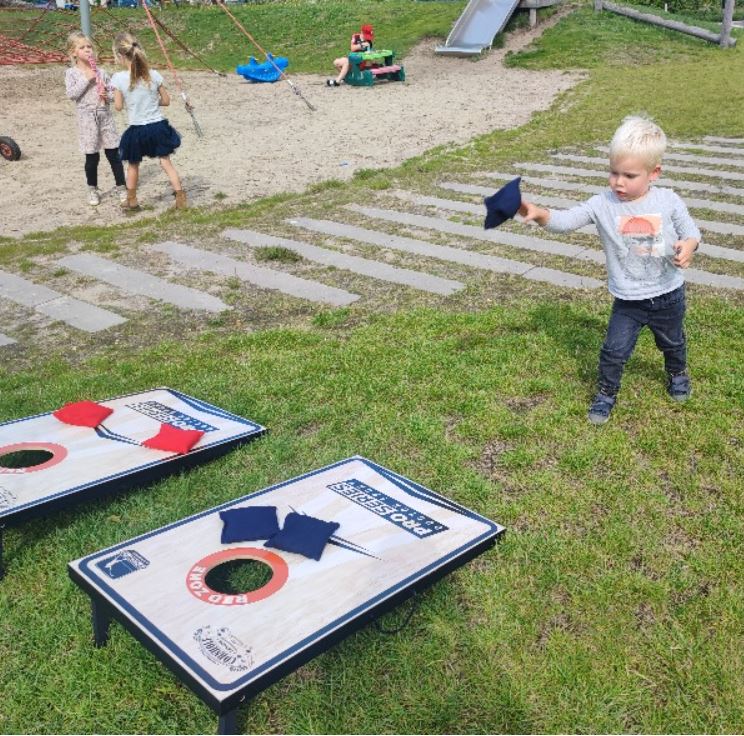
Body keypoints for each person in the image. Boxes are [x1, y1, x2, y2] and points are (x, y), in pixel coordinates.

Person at [519, 115, 700, 425]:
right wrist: (539, 213)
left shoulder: (668, 200)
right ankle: (606, 393)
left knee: (672, 342)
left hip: (668, 293)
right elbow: (565, 222)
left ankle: (677, 373)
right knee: (613, 351)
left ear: (653, 173)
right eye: (613, 173)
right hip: (628, 300)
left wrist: (689, 246)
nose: (618, 182)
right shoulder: (601, 204)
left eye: (629, 175)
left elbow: (692, 232)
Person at [110, 32, 187, 210]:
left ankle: (132, 201)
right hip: (158, 126)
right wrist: (151, 101)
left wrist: (112, 97)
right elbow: (166, 101)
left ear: (120, 56)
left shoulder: (118, 78)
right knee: (166, 162)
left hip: (137, 129)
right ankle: (180, 197)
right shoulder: (153, 74)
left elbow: (119, 106)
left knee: (133, 165)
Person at [65, 32, 126, 207]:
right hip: (87, 119)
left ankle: (121, 186)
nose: (87, 50)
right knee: (92, 156)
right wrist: (87, 78)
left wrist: (107, 94)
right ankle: (92, 188)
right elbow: (71, 94)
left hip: (105, 116)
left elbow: (114, 94)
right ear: (73, 52)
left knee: (114, 153)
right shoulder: (72, 73)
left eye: (89, 47)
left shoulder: (102, 72)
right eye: (82, 47)